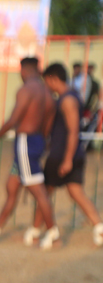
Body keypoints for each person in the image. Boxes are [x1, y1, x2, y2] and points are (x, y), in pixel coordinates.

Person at [0, 57, 58, 245]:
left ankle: (52, 231)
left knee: (38, 190)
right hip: (37, 142)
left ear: (23, 70)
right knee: (12, 186)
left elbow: (13, 119)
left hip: (25, 143)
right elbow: (48, 125)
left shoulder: (26, 90)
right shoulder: (47, 93)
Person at [35, 63, 103, 248]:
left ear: (53, 79)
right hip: (70, 153)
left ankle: (39, 231)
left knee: (43, 194)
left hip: (62, 155)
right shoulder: (70, 96)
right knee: (75, 192)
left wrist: (66, 159)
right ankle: (99, 227)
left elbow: (73, 131)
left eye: (46, 81)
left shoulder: (68, 100)